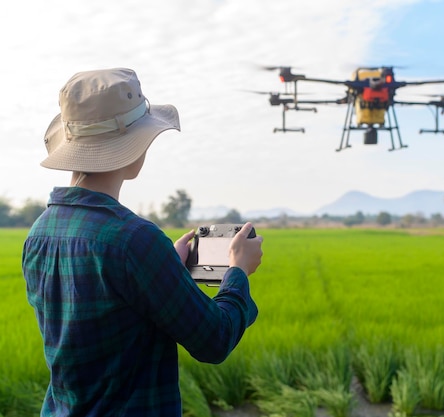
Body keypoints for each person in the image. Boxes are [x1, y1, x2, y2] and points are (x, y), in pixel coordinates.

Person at [21, 68, 263, 417]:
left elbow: (107, 314)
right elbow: (214, 340)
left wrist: (166, 266)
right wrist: (238, 271)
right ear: (133, 146)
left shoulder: (39, 232)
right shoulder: (134, 240)